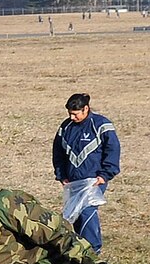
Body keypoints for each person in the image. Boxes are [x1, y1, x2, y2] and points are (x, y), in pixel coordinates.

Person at [51, 93, 120, 252]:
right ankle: (79, 248)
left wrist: (105, 175)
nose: (72, 117)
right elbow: (58, 153)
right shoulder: (65, 127)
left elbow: (113, 150)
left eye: (75, 114)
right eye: (70, 114)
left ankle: (93, 251)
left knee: (87, 211)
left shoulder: (101, 125)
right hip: (73, 182)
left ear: (86, 109)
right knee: (75, 214)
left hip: (94, 180)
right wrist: (61, 175)